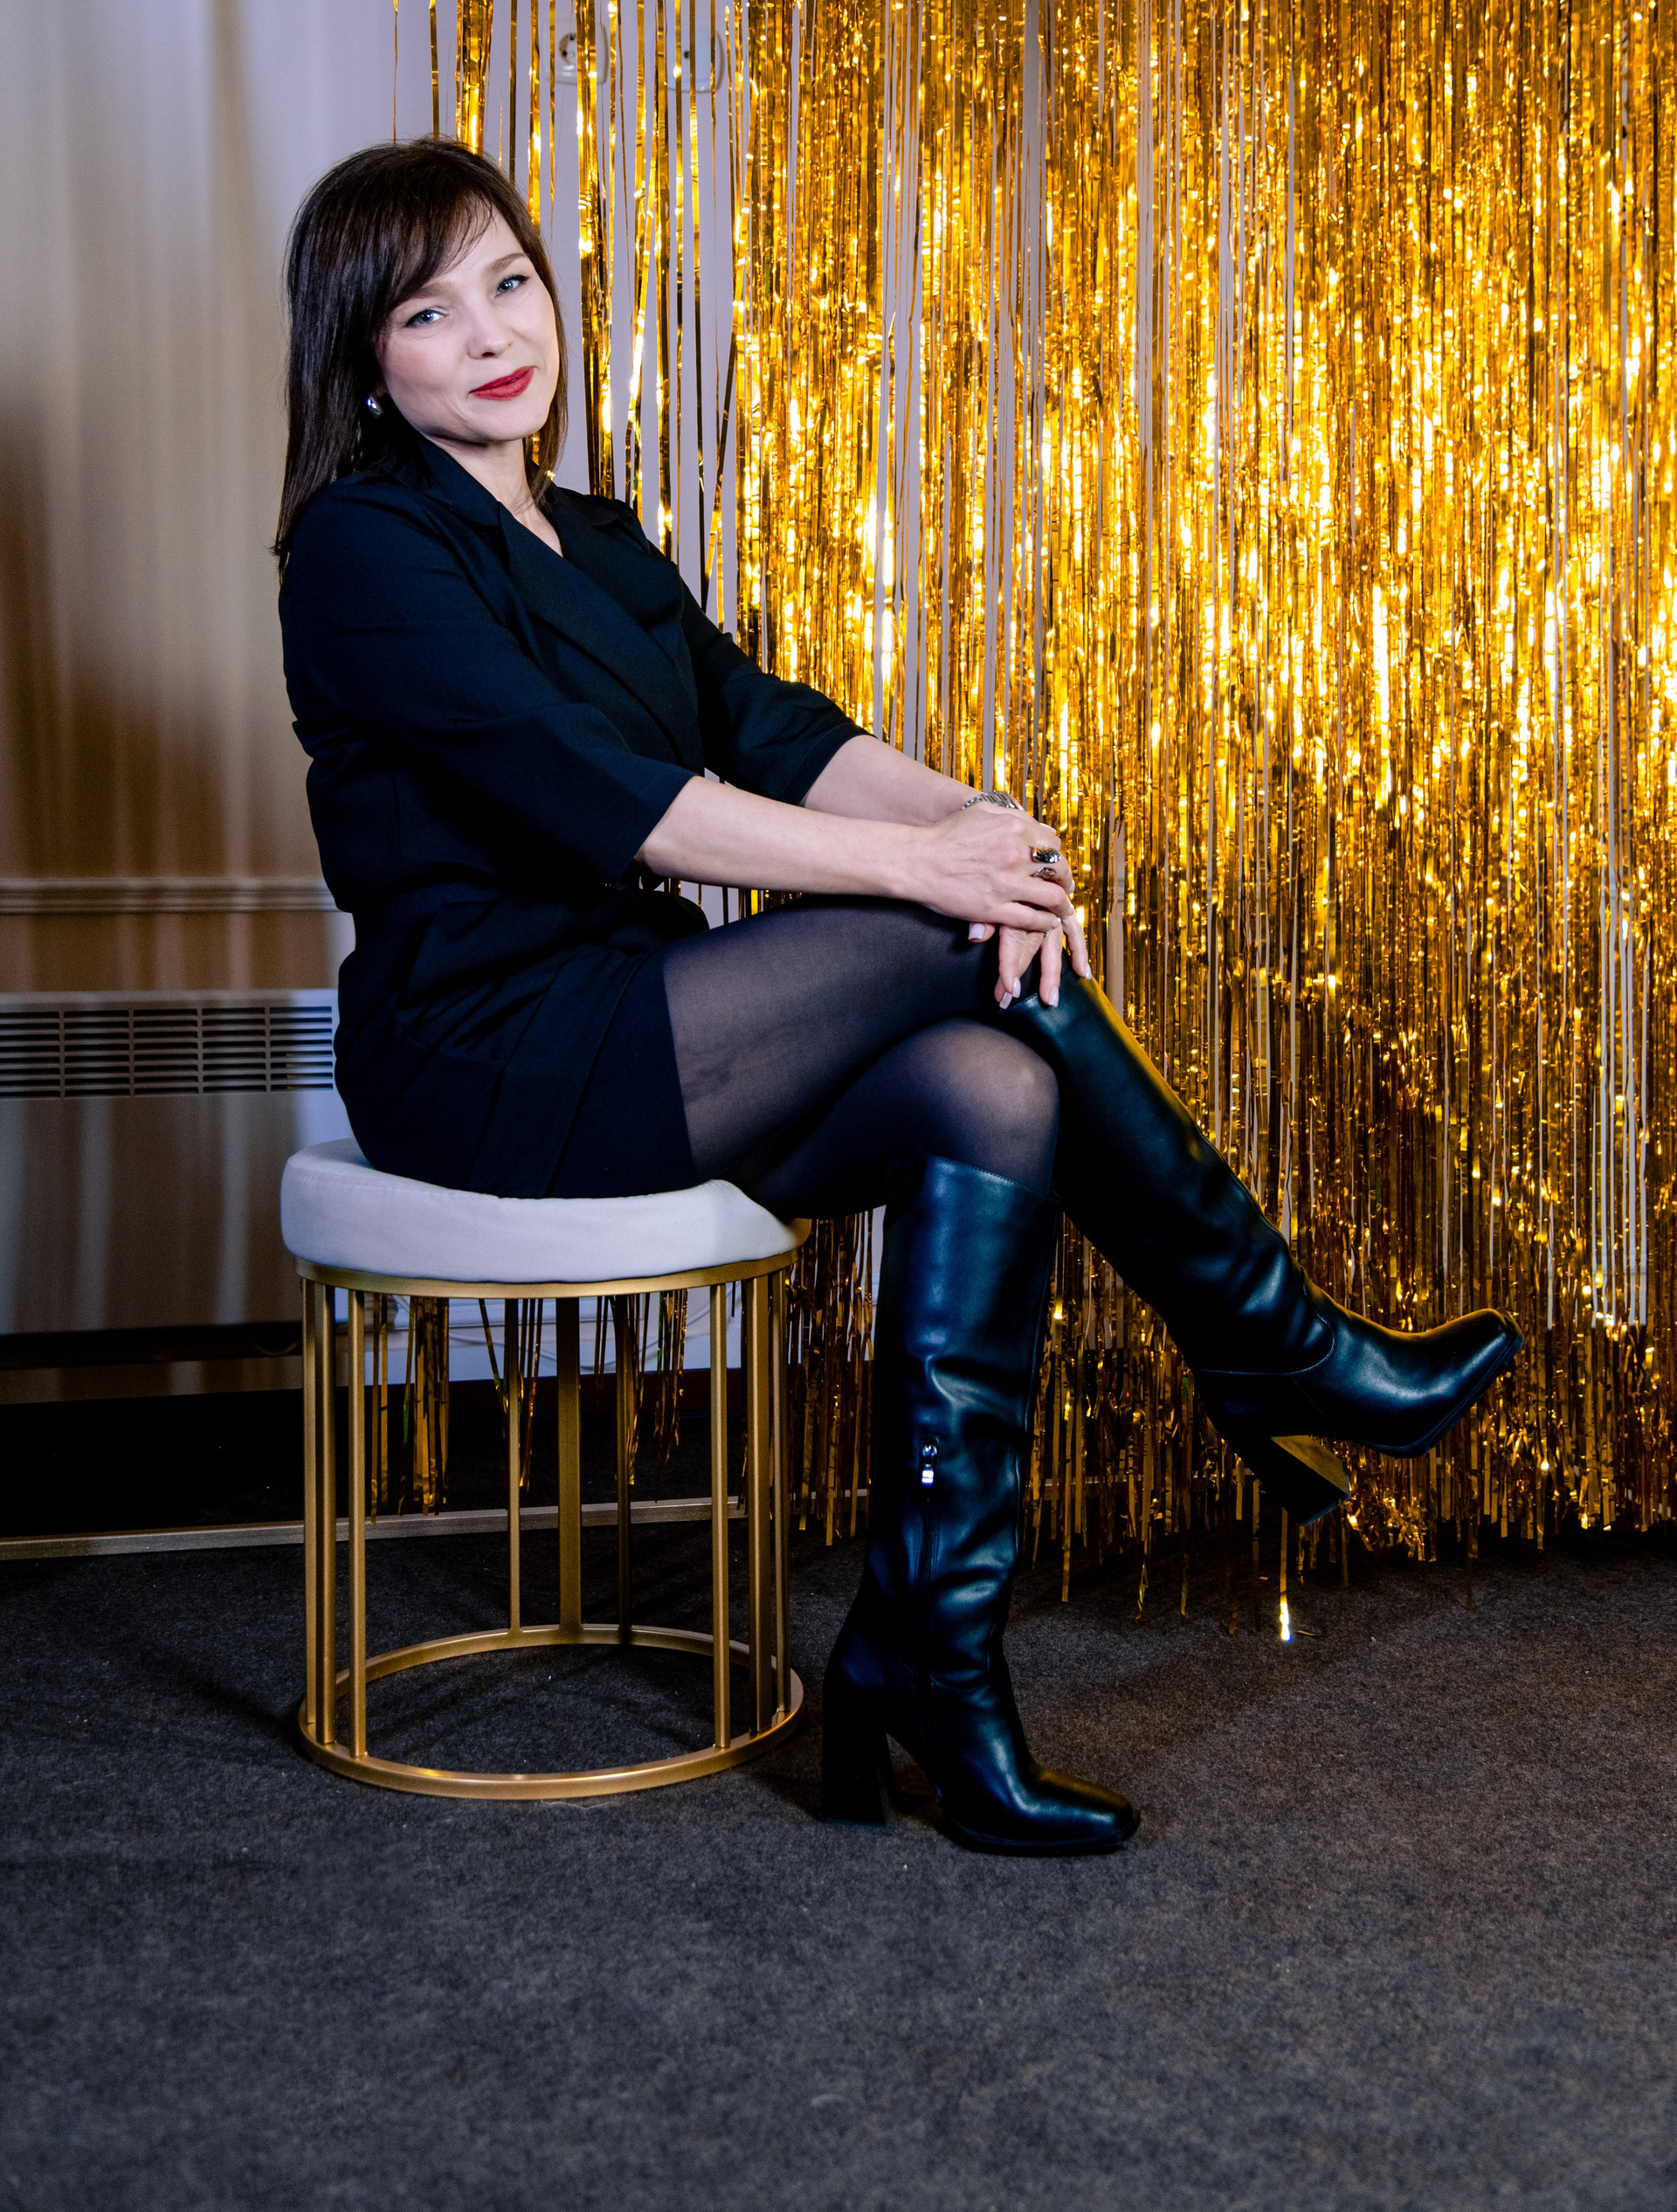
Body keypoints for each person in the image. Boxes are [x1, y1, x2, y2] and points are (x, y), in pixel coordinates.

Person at [277, 139, 1522, 1859]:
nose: (492, 331)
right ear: (365, 358)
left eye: (508, 280)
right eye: (429, 311)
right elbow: (610, 799)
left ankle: (932, 1653)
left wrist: (980, 826)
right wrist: (936, 879)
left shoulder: (596, 538)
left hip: (645, 1026)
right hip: (487, 1053)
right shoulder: (360, 546)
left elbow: (771, 730)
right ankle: (1279, 1348)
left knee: (990, 1088)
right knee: (951, 946)